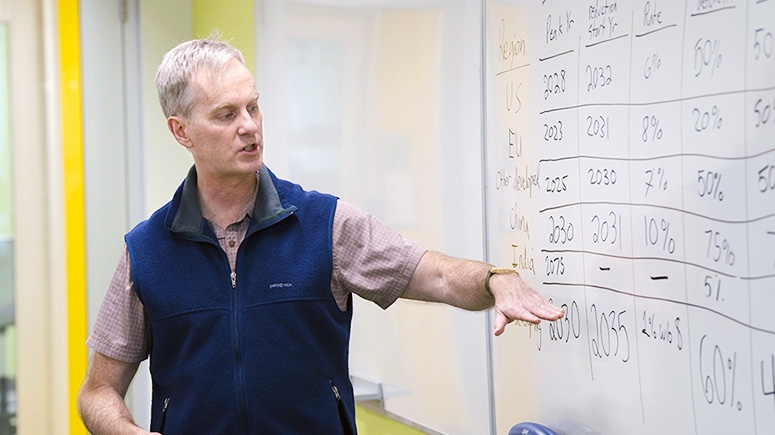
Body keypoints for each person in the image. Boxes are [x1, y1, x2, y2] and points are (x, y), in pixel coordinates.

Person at [76, 36, 564, 435]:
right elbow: (97, 392)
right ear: (181, 131)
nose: (249, 127)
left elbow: (433, 274)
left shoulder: (323, 224)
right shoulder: (147, 251)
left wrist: (495, 279)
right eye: (226, 115)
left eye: (253, 107)